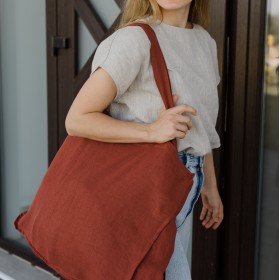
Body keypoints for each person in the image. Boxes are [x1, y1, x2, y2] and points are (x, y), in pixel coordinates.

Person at [65, 0, 224, 278]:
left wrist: (209, 185)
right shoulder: (134, 40)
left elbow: (202, 124)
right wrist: (151, 131)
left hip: (187, 185)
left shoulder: (204, 42)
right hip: (146, 187)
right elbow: (77, 119)